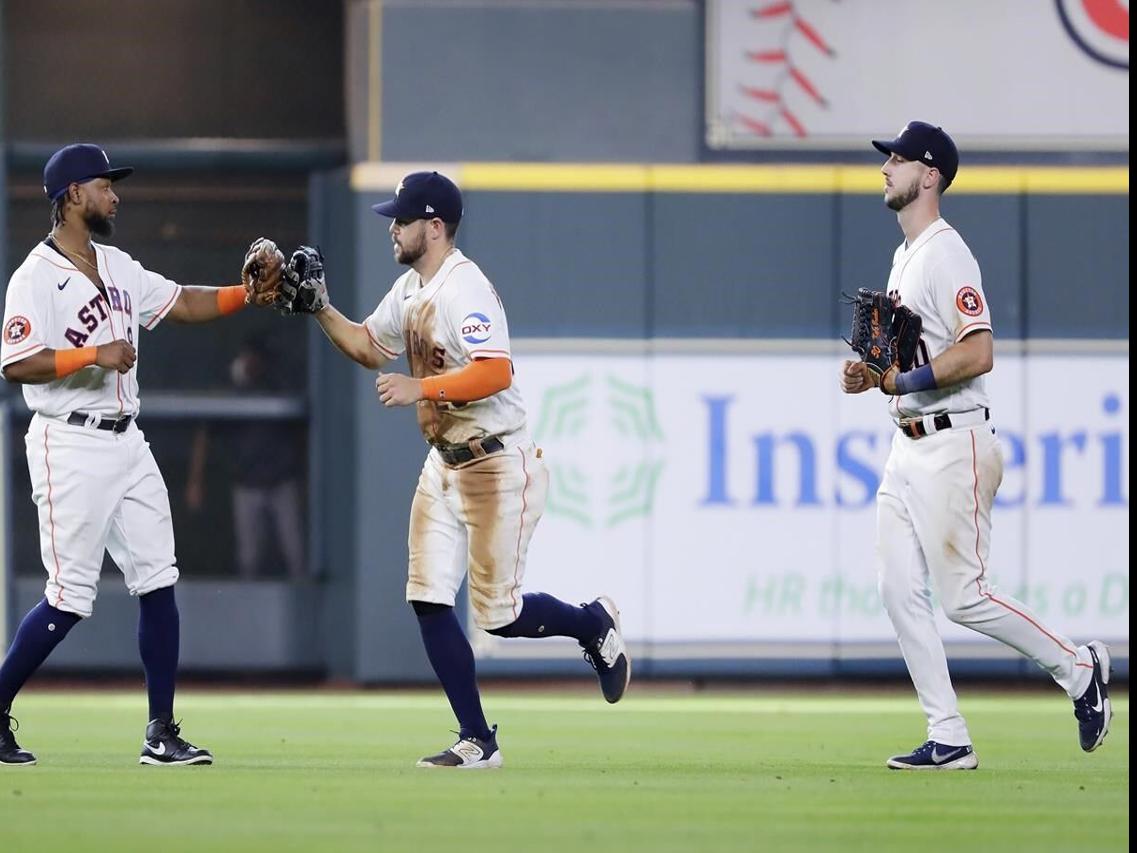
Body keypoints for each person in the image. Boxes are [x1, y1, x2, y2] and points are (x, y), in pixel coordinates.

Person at [261, 170, 630, 769]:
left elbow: (496, 372)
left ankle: (591, 624)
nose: (392, 229)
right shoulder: (409, 288)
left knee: (500, 618)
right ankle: (477, 738)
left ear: (434, 227)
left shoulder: (465, 288)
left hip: (496, 462)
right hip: (444, 463)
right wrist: (320, 308)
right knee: (428, 598)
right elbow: (365, 346)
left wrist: (421, 387)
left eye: (402, 220)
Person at [840, 121, 1112, 769]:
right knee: (896, 586)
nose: (885, 169)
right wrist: (869, 373)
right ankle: (949, 734)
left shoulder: (944, 252)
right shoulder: (905, 254)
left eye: (898, 160)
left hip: (952, 443)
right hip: (905, 445)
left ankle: (1079, 667)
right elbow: (903, 355)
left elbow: (979, 348)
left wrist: (902, 378)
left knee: (963, 596)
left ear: (928, 175)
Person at [0, 143, 267, 767]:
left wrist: (245, 295)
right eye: (104, 185)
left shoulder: (118, 265)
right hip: (68, 439)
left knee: (159, 579)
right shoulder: (35, 276)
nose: (114, 195)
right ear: (72, 196)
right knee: (70, 597)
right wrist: (91, 355)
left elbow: (182, 302)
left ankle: (161, 732)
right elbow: (14, 362)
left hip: (128, 439)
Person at [185, 335, 306, 580]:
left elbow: (300, 433)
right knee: (248, 559)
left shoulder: (277, 386)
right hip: (247, 485)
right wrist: (195, 482)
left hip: (281, 483)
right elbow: (204, 434)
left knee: (297, 557)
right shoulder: (232, 392)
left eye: (255, 358)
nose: (250, 363)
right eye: (246, 358)